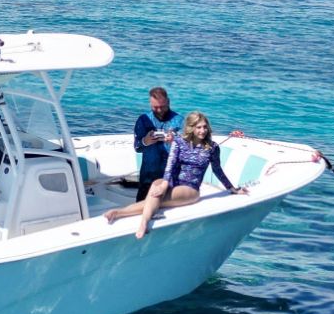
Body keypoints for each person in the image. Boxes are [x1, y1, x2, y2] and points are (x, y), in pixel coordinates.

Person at [106, 111, 247, 240]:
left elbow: (217, 170)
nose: (202, 130)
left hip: (190, 187)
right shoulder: (179, 143)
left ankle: (141, 221)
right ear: (191, 128)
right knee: (156, 185)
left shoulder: (212, 147)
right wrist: (164, 185)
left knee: (157, 197)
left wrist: (232, 188)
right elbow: (170, 166)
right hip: (173, 180)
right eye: (198, 127)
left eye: (205, 127)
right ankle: (121, 213)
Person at [132, 87, 184, 201]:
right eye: (155, 107)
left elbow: (188, 149)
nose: (160, 110)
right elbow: (137, 147)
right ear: (150, 104)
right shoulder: (143, 120)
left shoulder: (179, 120)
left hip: (171, 177)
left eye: (162, 106)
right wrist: (146, 141)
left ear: (168, 102)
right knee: (141, 207)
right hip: (148, 177)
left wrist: (175, 140)